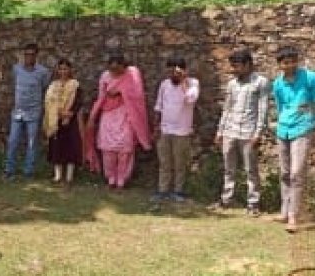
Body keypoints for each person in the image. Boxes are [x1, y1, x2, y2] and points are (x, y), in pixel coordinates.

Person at [272, 46, 315, 233]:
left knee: (297, 173)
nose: (290, 65)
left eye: (293, 61)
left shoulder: (311, 78)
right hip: (283, 129)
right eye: (285, 63)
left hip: (303, 128)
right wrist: (281, 123)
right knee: (285, 172)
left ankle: (295, 215)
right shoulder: (278, 83)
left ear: (298, 61)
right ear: (279, 64)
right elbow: (280, 107)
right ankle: (285, 211)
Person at [213, 49, 270, 215]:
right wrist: (220, 131)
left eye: (237, 66)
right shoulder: (232, 84)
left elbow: (263, 109)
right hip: (231, 130)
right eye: (232, 66)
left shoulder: (260, 82)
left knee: (250, 169)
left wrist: (258, 133)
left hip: (248, 132)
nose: (234, 70)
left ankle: (253, 204)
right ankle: (226, 200)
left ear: (248, 65)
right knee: (228, 168)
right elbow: (227, 108)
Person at [86, 52, 152, 189]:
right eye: (112, 69)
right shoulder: (105, 76)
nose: (115, 72)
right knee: (107, 149)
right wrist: (94, 115)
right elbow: (101, 96)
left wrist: (121, 92)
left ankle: (122, 179)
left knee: (125, 149)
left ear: (123, 66)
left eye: (118, 69)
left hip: (126, 113)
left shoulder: (131, 74)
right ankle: (110, 178)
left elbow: (137, 95)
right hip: (108, 114)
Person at [152, 56, 199, 202]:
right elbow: (159, 105)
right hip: (165, 129)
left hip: (182, 131)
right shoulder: (165, 84)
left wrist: (183, 81)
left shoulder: (193, 83)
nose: (173, 74)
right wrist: (156, 126)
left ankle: (178, 191)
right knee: (164, 162)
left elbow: (190, 99)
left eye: (176, 71)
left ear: (184, 71)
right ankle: (162, 190)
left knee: (180, 163)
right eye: (171, 71)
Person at [4, 43, 50, 180]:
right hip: (17, 112)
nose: (28, 57)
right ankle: (9, 170)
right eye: (26, 54)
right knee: (12, 141)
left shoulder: (43, 72)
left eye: (31, 54)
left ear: (36, 56)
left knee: (31, 143)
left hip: (34, 113)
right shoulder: (16, 69)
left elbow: (44, 87)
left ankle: (28, 172)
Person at [43, 58, 83, 184]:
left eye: (65, 68)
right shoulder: (53, 86)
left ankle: (69, 176)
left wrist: (69, 113)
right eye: (60, 68)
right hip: (56, 121)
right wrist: (57, 112)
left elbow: (78, 102)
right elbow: (48, 101)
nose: (63, 71)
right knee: (56, 147)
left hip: (70, 121)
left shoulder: (75, 85)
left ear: (70, 70)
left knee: (71, 147)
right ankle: (58, 175)